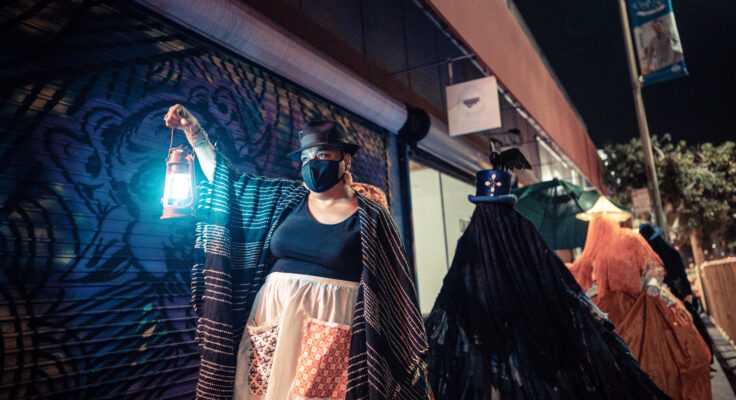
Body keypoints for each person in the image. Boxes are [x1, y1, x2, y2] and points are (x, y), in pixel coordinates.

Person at [164, 105, 430, 400]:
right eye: (306, 157)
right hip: (272, 319)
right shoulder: (286, 198)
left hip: (333, 324)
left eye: (322, 155)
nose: (312, 163)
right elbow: (230, 182)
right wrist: (196, 135)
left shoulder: (372, 216)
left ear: (345, 158)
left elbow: (394, 289)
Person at [424, 149, 669, 399]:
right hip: (530, 352)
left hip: (485, 356)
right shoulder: (520, 231)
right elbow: (554, 279)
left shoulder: (472, 239)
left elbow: (451, 296)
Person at [569, 217, 711, 400]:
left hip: (607, 316)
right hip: (646, 309)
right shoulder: (631, 240)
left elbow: (579, 284)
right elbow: (654, 272)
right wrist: (652, 294)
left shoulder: (589, 256)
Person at [638, 223, 714, 361]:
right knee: (692, 325)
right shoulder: (669, 252)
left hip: (672, 296)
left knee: (686, 328)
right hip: (677, 295)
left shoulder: (655, 256)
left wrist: (687, 294)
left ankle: (700, 357)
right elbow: (681, 275)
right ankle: (704, 356)